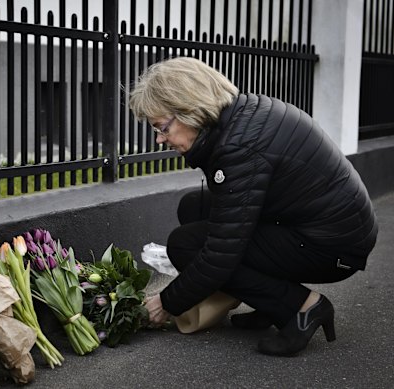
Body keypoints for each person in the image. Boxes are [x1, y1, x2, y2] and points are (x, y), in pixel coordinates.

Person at [130, 57, 378, 356]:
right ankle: (269, 304)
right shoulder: (242, 116)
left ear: (189, 110)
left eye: (162, 127)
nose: (159, 139)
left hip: (334, 246)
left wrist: (165, 303)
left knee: (185, 245)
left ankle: (302, 308)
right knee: (194, 207)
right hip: (321, 226)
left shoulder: (239, 148)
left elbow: (221, 255)